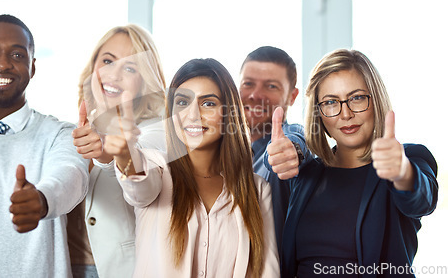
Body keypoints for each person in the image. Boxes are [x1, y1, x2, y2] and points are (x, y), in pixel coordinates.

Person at [267, 49, 438, 277]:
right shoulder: (307, 174)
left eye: (357, 98)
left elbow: (422, 198)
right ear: (319, 113)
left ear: (375, 99)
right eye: (330, 102)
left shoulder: (410, 158)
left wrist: (402, 172)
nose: (345, 113)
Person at [107, 58, 280, 277]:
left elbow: (267, 270)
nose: (192, 115)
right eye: (182, 102)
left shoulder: (257, 189)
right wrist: (124, 154)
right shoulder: (158, 169)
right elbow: (139, 188)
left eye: (208, 103)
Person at [0, 14, 89, 277]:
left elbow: (72, 176)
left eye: (16, 55)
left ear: (32, 67)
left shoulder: (60, 134)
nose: (2, 64)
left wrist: (42, 199)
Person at [68, 24, 166, 278]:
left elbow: (144, 182)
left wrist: (109, 151)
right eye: (108, 61)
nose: (114, 74)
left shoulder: (157, 131)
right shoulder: (73, 128)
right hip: (64, 266)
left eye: (130, 68)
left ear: (144, 82)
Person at [239, 46, 309, 259]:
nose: (255, 95)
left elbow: (299, 141)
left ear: (292, 96)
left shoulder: (290, 137)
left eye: (271, 86)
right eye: (248, 84)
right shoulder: (224, 151)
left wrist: (293, 151)